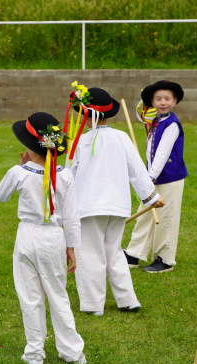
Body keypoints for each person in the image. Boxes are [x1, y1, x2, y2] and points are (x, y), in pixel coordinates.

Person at [0, 112, 86, 364]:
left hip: (27, 236)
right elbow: (72, 216)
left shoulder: (19, 172)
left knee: (30, 296)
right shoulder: (65, 175)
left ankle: (35, 353)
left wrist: (20, 166)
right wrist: (71, 246)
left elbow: (0, 196)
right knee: (58, 295)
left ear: (29, 145)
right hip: (54, 238)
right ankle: (72, 351)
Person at [69, 87, 165, 316]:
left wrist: (60, 203)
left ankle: (93, 305)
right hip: (117, 207)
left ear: (84, 115)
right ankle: (127, 300)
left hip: (89, 208)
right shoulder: (121, 137)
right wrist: (151, 197)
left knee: (91, 254)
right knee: (114, 251)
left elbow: (69, 177)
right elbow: (137, 171)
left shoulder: (79, 142)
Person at [124, 81, 188, 273]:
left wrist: (148, 178)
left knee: (166, 217)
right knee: (144, 213)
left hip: (169, 178)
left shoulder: (172, 125)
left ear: (175, 101)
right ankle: (134, 254)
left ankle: (164, 259)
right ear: (152, 102)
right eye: (158, 99)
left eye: (167, 99)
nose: (163, 102)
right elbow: (140, 114)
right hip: (152, 176)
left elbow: (161, 155)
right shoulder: (155, 121)